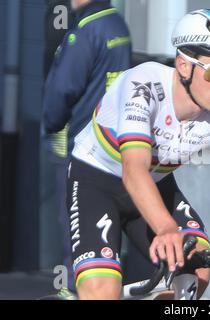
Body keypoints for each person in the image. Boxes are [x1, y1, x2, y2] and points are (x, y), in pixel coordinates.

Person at [67, 9, 210, 300]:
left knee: (197, 268)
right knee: (102, 291)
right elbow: (133, 169)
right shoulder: (143, 85)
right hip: (97, 183)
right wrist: (166, 227)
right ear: (183, 66)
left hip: (155, 185)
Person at [42, 0, 132, 295]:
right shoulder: (118, 25)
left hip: (80, 144)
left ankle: (73, 288)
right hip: (116, 144)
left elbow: (61, 92)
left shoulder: (84, 31)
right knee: (106, 223)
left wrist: (50, 122)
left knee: (75, 219)